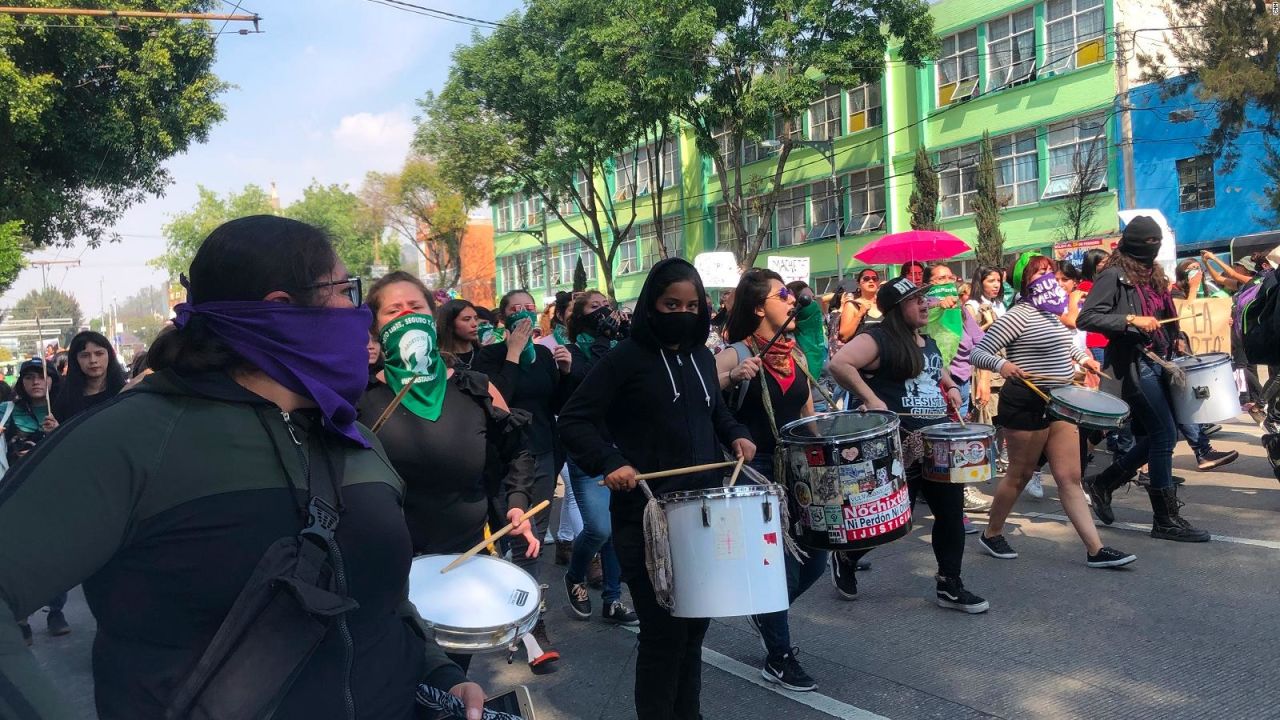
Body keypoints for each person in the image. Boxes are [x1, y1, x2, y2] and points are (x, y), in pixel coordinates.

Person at [0, 215, 489, 719]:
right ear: (282, 310)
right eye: (345, 290)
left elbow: (385, 600)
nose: (358, 313)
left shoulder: (355, 437)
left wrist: (437, 672)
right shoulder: (131, 439)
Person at [559, 258, 755, 720]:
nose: (682, 313)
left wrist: (735, 432)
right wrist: (610, 461)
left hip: (703, 517)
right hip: (646, 520)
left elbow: (712, 412)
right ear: (652, 304)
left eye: (691, 305)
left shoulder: (703, 356)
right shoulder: (624, 359)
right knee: (664, 636)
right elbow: (574, 420)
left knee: (692, 634)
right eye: (671, 304)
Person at [358, 272, 542, 673]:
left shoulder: (475, 388)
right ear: (376, 327)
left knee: (449, 682)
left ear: (432, 314)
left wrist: (515, 505)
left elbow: (518, 451)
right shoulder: (359, 399)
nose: (407, 316)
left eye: (416, 307)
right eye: (394, 311)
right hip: (385, 571)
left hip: (460, 567)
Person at [827, 276, 990, 612]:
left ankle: (949, 582)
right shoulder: (879, 338)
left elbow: (936, 372)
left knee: (950, 512)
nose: (925, 304)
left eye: (925, 299)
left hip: (937, 441)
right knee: (895, 519)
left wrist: (952, 387)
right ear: (898, 308)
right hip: (900, 444)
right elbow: (839, 364)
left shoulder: (926, 341)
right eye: (917, 300)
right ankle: (847, 554)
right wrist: (872, 399)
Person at [970, 253, 1136, 568]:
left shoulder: (1050, 312)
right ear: (1023, 281)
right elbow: (978, 352)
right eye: (1039, 272)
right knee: (1020, 475)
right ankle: (991, 533)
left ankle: (1095, 549)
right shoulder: (1018, 315)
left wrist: (1083, 357)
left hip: (1060, 400)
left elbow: (1064, 343)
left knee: (1070, 477)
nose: (1049, 277)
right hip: (1026, 401)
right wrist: (1002, 364)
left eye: (1050, 270)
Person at [712, 269, 825, 691]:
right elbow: (701, 393)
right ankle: (778, 655)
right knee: (777, 570)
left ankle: (766, 614)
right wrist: (731, 377)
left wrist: (826, 454)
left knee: (816, 558)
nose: (792, 300)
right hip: (751, 472)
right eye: (783, 295)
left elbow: (807, 415)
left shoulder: (793, 353)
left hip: (795, 469)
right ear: (759, 306)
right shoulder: (734, 352)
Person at [1079, 216, 1211, 542]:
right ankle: (1165, 518)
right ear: (1136, 244)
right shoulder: (1113, 275)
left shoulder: (1153, 273)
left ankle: (1104, 482)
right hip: (1136, 366)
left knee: (1162, 434)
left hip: (1160, 362)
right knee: (1164, 435)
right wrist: (1130, 319)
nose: (1154, 248)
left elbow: (1166, 315)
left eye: (1157, 243)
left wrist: (1176, 336)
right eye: (1149, 243)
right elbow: (1087, 317)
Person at [474, 288, 574, 666]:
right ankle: (515, 615)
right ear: (503, 318)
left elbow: (558, 405)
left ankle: (531, 622)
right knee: (510, 536)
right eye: (516, 310)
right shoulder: (490, 355)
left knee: (530, 541)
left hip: (543, 453)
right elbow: (497, 400)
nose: (524, 315)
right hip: (505, 459)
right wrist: (513, 353)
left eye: (530, 309)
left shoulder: (546, 354)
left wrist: (565, 373)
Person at [560, 289, 638, 627]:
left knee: (616, 528)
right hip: (588, 453)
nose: (603, 311)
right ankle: (575, 575)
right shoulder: (571, 354)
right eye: (594, 307)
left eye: (606, 305)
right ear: (578, 316)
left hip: (621, 450)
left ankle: (612, 599)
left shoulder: (622, 349)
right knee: (599, 528)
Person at [5, 359, 68, 645]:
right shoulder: (8, 412)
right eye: (29, 377)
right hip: (17, 495)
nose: (36, 382)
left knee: (57, 560)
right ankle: (21, 618)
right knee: (20, 560)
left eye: (42, 376)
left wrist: (61, 432)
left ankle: (56, 612)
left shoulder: (66, 410)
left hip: (55, 496)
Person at [52, 330, 127, 422]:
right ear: (75, 360)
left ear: (109, 355)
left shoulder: (124, 393)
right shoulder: (65, 400)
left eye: (99, 354)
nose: (93, 360)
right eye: (85, 355)